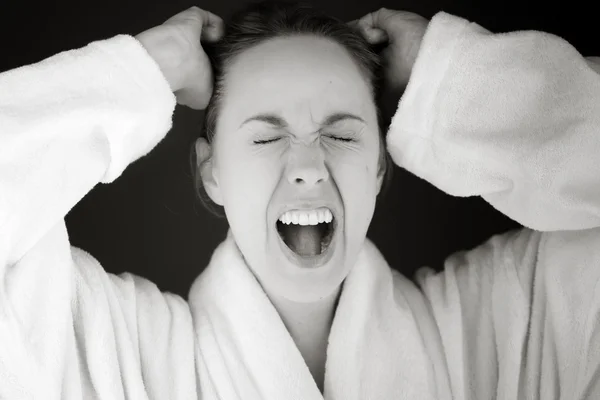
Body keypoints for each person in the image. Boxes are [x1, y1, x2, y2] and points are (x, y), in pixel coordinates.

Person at [1, 0, 599, 398]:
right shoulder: (114, 357)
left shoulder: (510, 327)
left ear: (380, 170)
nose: (309, 166)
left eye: (341, 135)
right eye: (265, 136)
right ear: (212, 172)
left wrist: (456, 84)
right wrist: (144, 71)